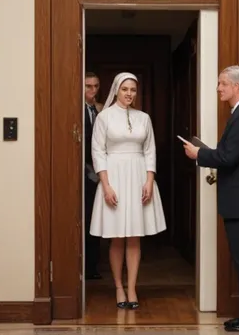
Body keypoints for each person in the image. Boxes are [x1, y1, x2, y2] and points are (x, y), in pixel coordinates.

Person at [183, 65, 239, 332]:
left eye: (222, 83)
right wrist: (207, 153)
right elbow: (233, 154)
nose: (218, 88)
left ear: (236, 86)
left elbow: (228, 157)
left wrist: (198, 154)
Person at [90, 72, 167, 309]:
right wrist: (106, 185)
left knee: (134, 237)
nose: (129, 94)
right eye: (125, 89)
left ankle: (132, 288)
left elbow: (150, 150)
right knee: (117, 237)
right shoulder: (104, 117)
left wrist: (149, 181)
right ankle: (118, 288)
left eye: (133, 90)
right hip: (113, 178)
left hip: (138, 177)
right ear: (116, 90)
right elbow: (98, 152)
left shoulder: (143, 118)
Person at [84, 72, 103, 280]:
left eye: (96, 86)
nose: (93, 90)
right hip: (84, 171)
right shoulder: (76, 109)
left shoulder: (100, 110)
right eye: (88, 86)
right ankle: (86, 266)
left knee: (97, 216)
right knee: (87, 215)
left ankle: (93, 265)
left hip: (100, 170)